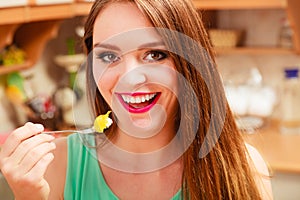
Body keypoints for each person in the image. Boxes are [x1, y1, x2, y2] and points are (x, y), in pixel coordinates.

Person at [0, 0, 273, 199]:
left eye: (154, 54)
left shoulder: (243, 167)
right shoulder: (56, 165)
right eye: (108, 56)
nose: (130, 78)